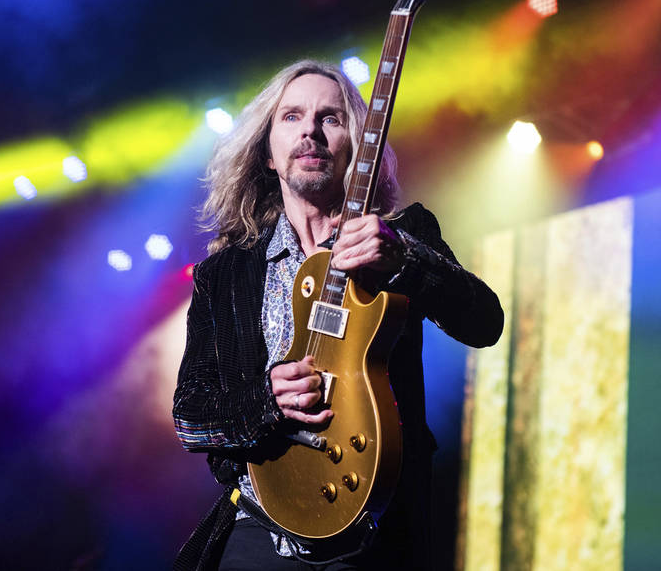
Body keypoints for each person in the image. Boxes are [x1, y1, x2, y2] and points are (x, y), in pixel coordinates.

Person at [172, 59, 503, 570]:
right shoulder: (224, 275)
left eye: (331, 118)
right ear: (267, 154)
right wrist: (266, 400)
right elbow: (191, 418)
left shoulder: (401, 234)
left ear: (358, 145)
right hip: (258, 527)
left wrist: (406, 259)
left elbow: (485, 323)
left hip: (374, 529)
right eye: (292, 117)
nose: (310, 130)